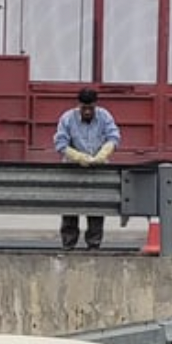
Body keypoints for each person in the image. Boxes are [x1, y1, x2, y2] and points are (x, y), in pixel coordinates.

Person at [54, 88, 121, 250]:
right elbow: (60, 144)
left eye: (90, 108)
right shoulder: (68, 118)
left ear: (95, 106)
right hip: (72, 169)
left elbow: (114, 137)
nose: (87, 111)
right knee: (70, 208)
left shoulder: (104, 116)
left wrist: (103, 154)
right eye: (84, 108)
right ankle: (68, 244)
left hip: (98, 167)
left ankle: (94, 244)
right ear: (79, 106)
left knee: (97, 207)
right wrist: (77, 157)